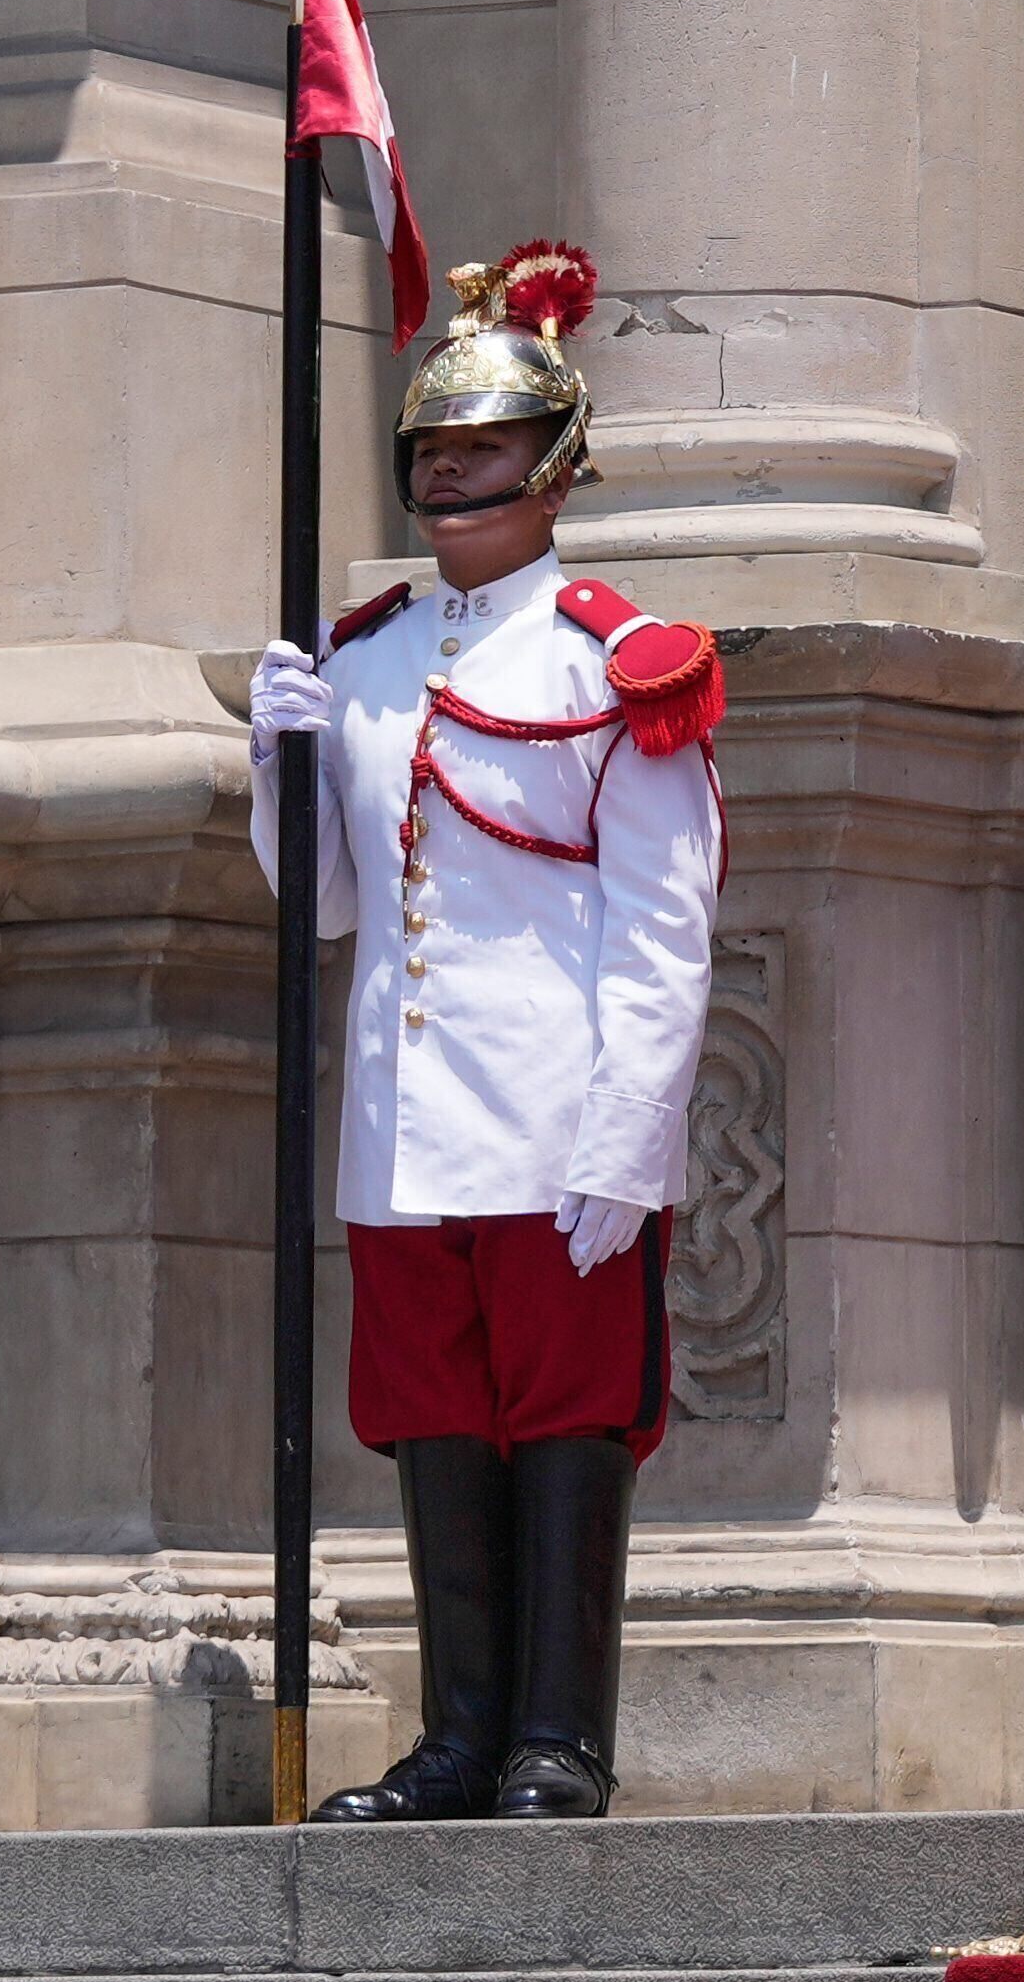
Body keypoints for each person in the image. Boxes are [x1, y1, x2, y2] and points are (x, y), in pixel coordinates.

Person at [243, 246, 728, 1821]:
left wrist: (629, 1139)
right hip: (406, 1125)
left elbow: (663, 929)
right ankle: (458, 1734)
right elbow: (324, 906)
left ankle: (556, 1737)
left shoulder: (616, 662)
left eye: (482, 450)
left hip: (557, 1117)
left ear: (555, 466)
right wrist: (278, 760)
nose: (450, 475)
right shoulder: (368, 658)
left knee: (569, 1427)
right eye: (431, 453)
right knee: (437, 1425)